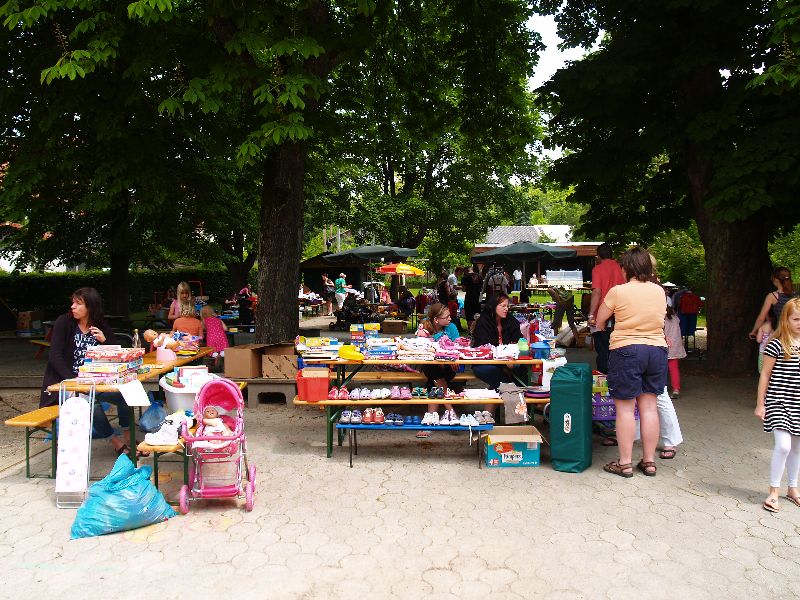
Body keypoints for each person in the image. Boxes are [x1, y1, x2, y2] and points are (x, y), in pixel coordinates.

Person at [595, 246, 667, 478]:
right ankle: (649, 461)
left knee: (625, 409)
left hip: (627, 350)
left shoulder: (618, 291)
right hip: (656, 350)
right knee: (649, 407)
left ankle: (625, 463)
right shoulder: (659, 291)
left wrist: (601, 325)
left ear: (627, 268)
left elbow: (600, 320)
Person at [39, 287, 133, 456]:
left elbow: (116, 356)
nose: (73, 306)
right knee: (89, 401)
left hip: (96, 381)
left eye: (78, 303)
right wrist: (72, 380)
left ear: (90, 306)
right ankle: (115, 442)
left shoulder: (100, 324)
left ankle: (128, 436)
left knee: (126, 394)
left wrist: (104, 341)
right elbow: (54, 356)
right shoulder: (64, 322)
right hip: (66, 383)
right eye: (73, 303)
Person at [755, 297, 800, 513]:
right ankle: (773, 492)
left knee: (796, 448)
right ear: (786, 319)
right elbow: (765, 374)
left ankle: (792, 489)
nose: (799, 323)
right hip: (778, 401)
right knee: (783, 446)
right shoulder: (775, 344)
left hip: (798, 403)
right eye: (796, 319)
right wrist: (760, 404)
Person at [471, 293, 528, 415]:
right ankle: (518, 417)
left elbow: (519, 341)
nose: (506, 309)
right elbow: (483, 348)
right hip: (484, 364)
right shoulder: (483, 322)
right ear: (493, 306)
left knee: (521, 372)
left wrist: (509, 357)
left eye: (507, 306)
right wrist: (503, 363)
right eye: (503, 306)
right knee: (507, 382)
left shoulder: (511, 320)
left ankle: (487, 415)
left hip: (509, 363)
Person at [415, 303, 461, 435]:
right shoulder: (425, 327)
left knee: (434, 379)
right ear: (436, 319)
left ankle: (431, 420)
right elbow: (421, 348)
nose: (450, 319)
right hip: (431, 364)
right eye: (446, 317)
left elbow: (458, 346)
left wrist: (449, 359)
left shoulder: (451, 327)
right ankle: (451, 412)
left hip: (449, 366)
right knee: (433, 371)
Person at [587, 243, 626, 373]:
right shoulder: (621, 269)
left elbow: (597, 292)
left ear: (598, 256)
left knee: (603, 350)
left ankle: (603, 380)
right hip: (620, 314)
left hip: (603, 315)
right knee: (618, 349)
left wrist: (591, 314)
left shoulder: (597, 269)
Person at [750, 267, 796, 345]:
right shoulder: (796, 294)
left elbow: (761, 318)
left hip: (782, 333)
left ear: (776, 280)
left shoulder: (772, 296)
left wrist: (754, 331)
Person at [664, 298, 686, 399]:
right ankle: (676, 389)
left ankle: (662, 389)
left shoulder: (662, 318)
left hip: (664, 346)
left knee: (661, 369)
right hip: (675, 347)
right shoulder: (675, 317)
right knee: (674, 369)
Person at [461, 265, 483, 330]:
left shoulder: (465, 277)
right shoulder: (479, 276)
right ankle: (477, 329)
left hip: (469, 298)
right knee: (477, 314)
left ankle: (470, 330)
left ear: (466, 270)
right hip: (478, 298)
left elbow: (463, 289)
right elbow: (482, 287)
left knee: (469, 315)